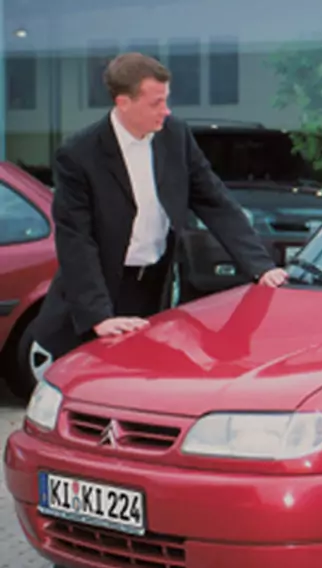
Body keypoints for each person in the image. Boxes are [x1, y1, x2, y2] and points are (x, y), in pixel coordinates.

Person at [27, 52, 287, 385]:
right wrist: (100, 317)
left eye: (166, 101)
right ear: (124, 102)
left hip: (154, 285)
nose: (166, 111)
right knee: (90, 390)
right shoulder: (78, 153)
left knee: (143, 386)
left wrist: (261, 266)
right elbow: (76, 239)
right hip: (99, 288)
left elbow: (214, 201)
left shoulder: (175, 136)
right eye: (156, 103)